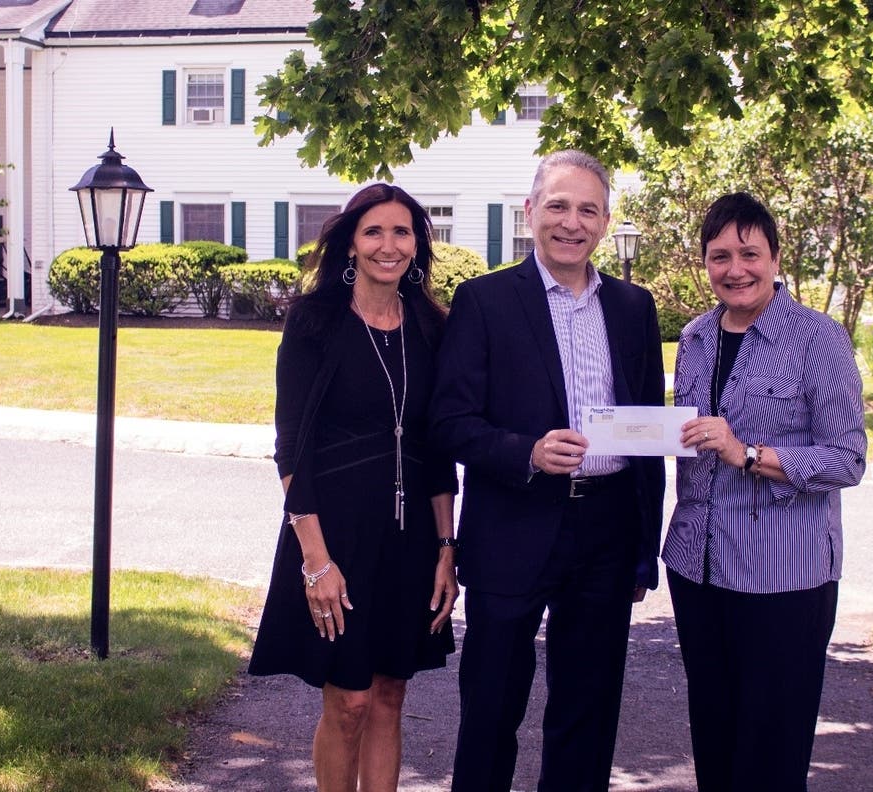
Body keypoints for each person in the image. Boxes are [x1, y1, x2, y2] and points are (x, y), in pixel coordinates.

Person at [430, 150, 666, 792]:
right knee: (491, 706)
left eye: (588, 209)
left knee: (587, 711)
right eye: (558, 205)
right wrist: (526, 452)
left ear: (606, 222)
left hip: (607, 530)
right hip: (514, 525)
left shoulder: (632, 307)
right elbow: (449, 422)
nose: (571, 222)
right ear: (530, 212)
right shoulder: (483, 301)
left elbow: (648, 431)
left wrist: (645, 547)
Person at [248, 183, 459, 792]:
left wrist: (448, 547)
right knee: (349, 702)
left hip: (412, 539)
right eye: (374, 232)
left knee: (391, 694)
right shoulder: (315, 322)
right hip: (335, 536)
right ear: (350, 243)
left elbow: (438, 446)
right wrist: (316, 560)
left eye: (401, 232)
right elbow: (291, 447)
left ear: (418, 243)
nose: (388, 245)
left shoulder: (432, 326)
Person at [664, 192, 867, 791]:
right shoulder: (696, 337)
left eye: (749, 253)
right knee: (716, 737)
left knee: (771, 751)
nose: (735, 269)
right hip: (698, 567)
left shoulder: (818, 340)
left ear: (775, 259)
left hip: (783, 576)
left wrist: (749, 453)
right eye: (719, 256)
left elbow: (847, 459)